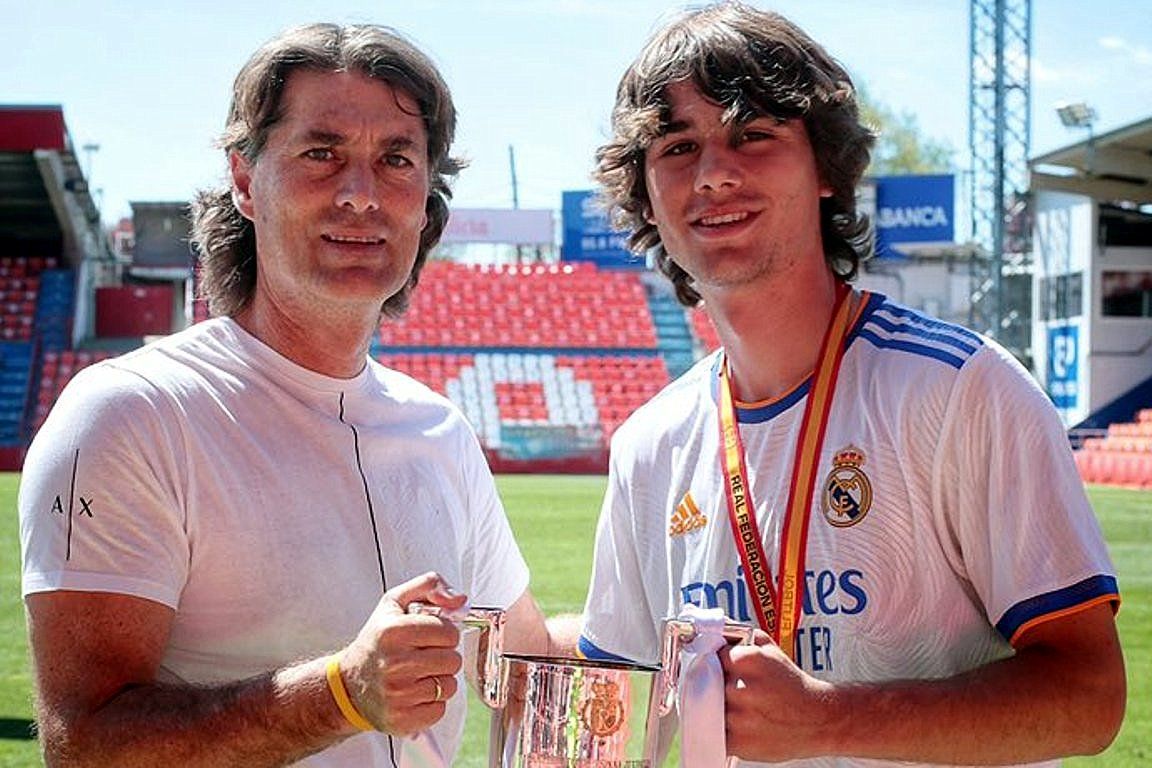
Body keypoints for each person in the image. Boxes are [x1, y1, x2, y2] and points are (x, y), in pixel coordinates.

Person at [576, 3, 1126, 766]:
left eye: (753, 135)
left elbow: (1089, 698)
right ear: (645, 197)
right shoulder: (649, 443)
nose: (714, 174)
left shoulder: (964, 392)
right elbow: (621, 681)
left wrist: (830, 719)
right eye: (677, 146)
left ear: (827, 169)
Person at [19, 23, 548, 767]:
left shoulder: (440, 430)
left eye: (396, 159)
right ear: (244, 181)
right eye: (321, 153)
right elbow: (85, 744)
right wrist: (338, 693)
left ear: (426, 200)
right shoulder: (133, 413)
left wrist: (680, 631)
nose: (361, 194)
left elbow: (526, 661)